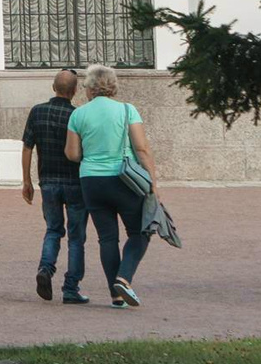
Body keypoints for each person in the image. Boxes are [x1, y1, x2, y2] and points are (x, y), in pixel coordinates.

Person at [64, 62, 160, 309]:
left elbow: (72, 154)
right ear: (112, 86)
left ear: (89, 87)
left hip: (91, 181)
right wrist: (152, 181)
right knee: (140, 232)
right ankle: (124, 278)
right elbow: (141, 148)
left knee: (107, 239)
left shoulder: (78, 114)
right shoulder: (127, 110)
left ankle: (116, 296)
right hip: (124, 179)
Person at [19, 69, 89, 304]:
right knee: (76, 237)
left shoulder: (37, 111)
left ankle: (45, 269)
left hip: (48, 181)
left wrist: (27, 181)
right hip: (75, 182)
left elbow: (27, 147)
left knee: (53, 230)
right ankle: (71, 288)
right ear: (75, 91)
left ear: (53, 87)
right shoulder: (77, 115)